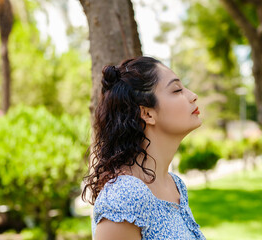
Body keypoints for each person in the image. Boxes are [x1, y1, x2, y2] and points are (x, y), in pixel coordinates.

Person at [82, 56, 206, 240]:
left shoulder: (175, 185)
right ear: (147, 113)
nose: (192, 95)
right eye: (177, 90)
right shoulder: (124, 196)